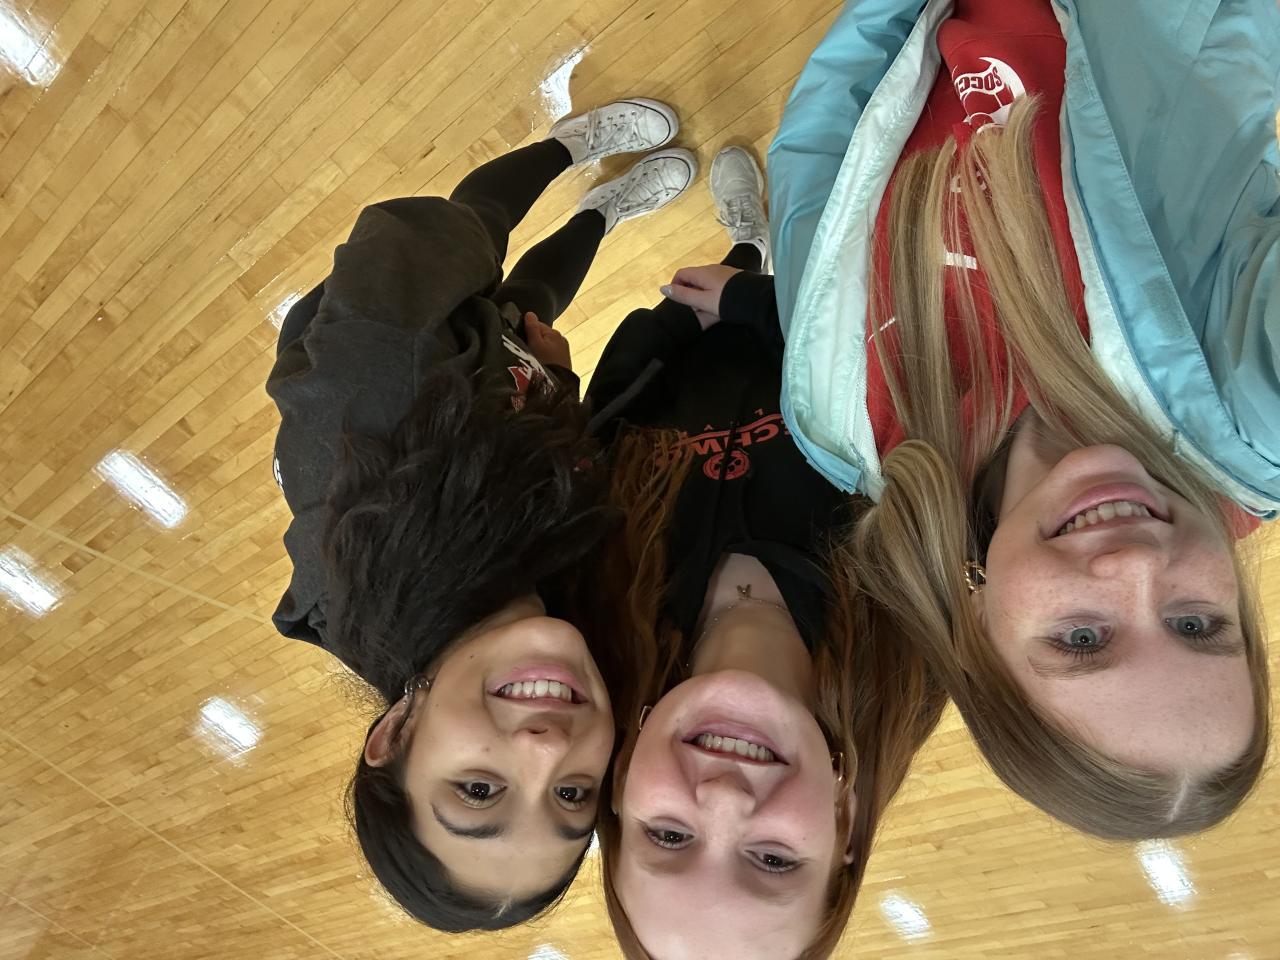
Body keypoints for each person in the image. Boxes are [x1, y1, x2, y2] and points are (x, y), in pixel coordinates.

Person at [733, 0, 1276, 840]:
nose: (1138, 567)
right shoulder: (1250, 422)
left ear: (981, 641)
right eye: (1197, 624)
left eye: (1083, 638)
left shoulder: (842, 426)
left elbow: (819, 157)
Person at [265, 98, 699, 930]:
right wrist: (555, 389)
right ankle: (605, 212)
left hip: (410, 324)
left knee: (481, 232)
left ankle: (567, 146)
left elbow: (412, 235)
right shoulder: (557, 618)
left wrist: (470, 257)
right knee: (537, 304)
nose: (547, 750)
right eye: (571, 795)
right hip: (505, 400)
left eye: (477, 788)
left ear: (394, 735)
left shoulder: (376, 397)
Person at [588, 146, 943, 959]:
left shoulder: (596, 613)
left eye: (668, 837)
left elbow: (606, 422)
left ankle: (748, 235)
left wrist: (673, 326)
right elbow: (914, 363)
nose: (721, 799)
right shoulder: (919, 623)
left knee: (741, 253)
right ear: (843, 823)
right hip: (839, 256)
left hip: (696, 335)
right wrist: (754, 301)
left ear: (623, 788)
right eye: (773, 860)